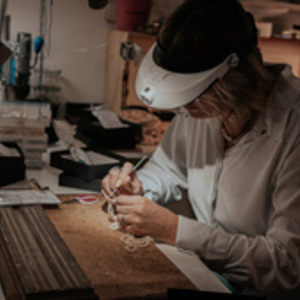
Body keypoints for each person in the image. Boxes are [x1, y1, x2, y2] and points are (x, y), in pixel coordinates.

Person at [101, 0, 300, 298]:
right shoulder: (203, 107)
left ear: (235, 76)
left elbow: (287, 264)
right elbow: (167, 168)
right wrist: (139, 185)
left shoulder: (293, 127)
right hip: (206, 276)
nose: (183, 106)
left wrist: (174, 230)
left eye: (193, 93)